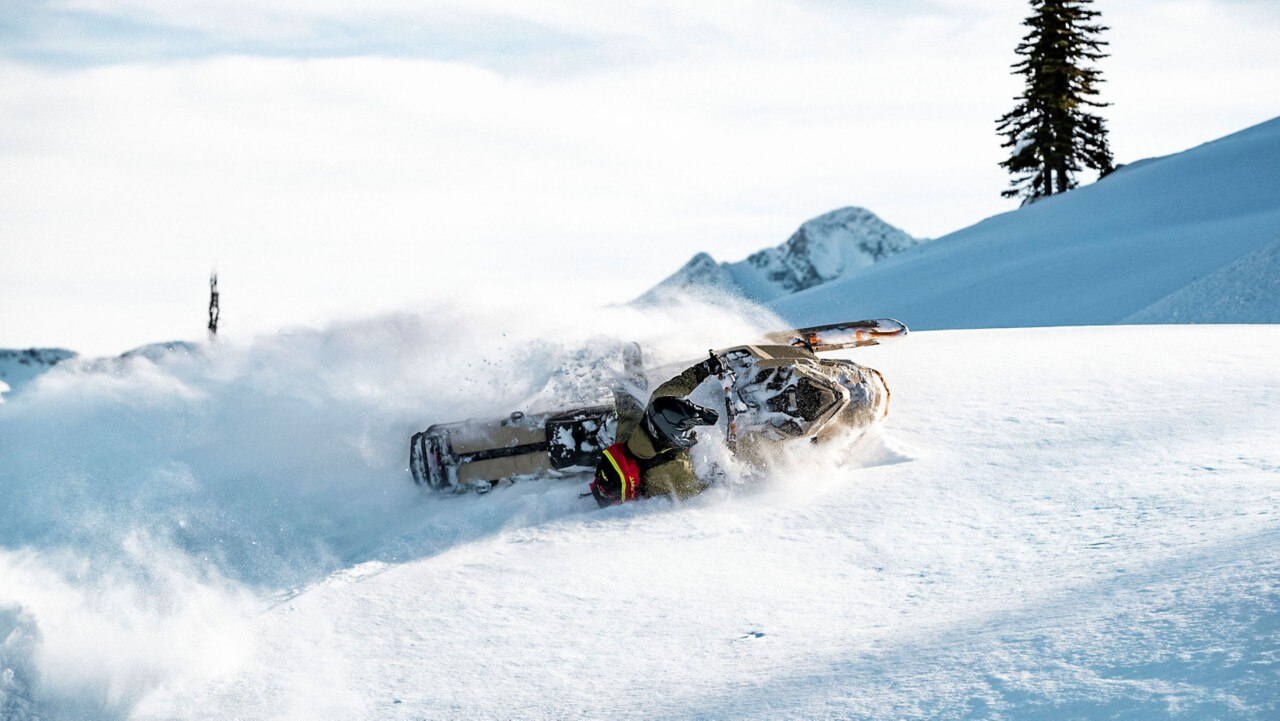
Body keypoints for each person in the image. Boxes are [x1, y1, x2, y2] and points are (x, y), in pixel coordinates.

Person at [589, 357, 722, 506]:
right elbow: (707, 490)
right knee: (630, 412)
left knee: (629, 409)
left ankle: (631, 381)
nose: (691, 432)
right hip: (650, 475)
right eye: (686, 430)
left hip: (632, 443)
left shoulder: (655, 406)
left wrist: (704, 369)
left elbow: (678, 385)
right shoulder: (676, 471)